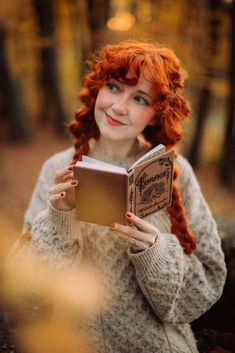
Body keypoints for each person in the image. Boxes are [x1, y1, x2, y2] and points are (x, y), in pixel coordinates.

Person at [5, 40, 226, 353]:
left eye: (139, 98)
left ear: (155, 114)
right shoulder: (57, 168)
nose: (118, 107)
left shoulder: (176, 173)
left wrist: (155, 250)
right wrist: (59, 218)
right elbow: (28, 293)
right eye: (113, 87)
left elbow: (207, 284)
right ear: (98, 89)